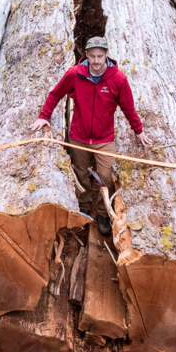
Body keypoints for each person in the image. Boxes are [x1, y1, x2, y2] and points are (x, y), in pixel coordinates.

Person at [31, 36, 144, 236]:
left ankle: (102, 213)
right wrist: (43, 116)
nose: (97, 61)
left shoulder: (118, 79)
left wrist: (138, 131)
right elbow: (55, 94)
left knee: (106, 177)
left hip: (104, 139)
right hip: (79, 136)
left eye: (100, 56)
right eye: (92, 56)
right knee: (80, 174)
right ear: (87, 56)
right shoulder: (75, 74)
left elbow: (128, 108)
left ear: (107, 55)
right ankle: (83, 208)